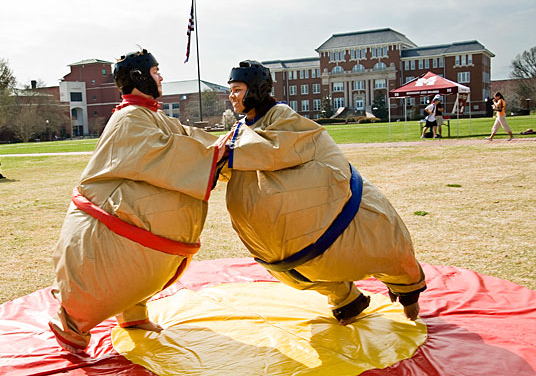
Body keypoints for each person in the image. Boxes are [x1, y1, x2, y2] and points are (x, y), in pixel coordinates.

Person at [218, 60, 426, 325]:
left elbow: (278, 149)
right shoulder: (240, 128)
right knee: (297, 271)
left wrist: (233, 154)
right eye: (231, 89)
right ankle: (346, 299)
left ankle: (409, 297)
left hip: (338, 211)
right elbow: (232, 160)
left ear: (256, 89)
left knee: (381, 248)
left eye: (237, 89)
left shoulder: (282, 117)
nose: (231, 96)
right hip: (286, 242)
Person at [48, 48, 223, 353]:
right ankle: (71, 327)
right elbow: (161, 153)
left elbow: (186, 137)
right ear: (140, 77)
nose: (161, 77)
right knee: (122, 258)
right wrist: (214, 156)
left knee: (138, 252)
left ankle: (133, 314)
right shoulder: (130, 118)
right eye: (156, 72)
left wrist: (226, 145)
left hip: (127, 219)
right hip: (104, 226)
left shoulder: (148, 114)